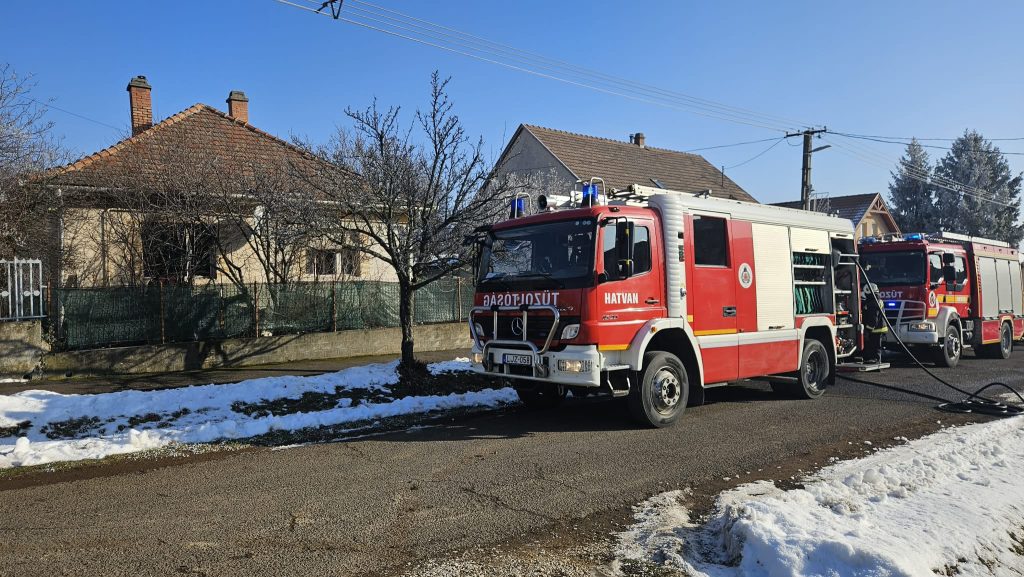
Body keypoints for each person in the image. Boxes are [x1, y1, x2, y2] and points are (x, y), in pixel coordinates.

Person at [862, 284, 888, 363]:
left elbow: (873, 319)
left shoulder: (873, 303)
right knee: (875, 346)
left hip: (876, 329)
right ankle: (874, 360)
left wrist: (868, 330)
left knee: (875, 346)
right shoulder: (876, 300)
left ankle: (876, 360)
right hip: (878, 328)